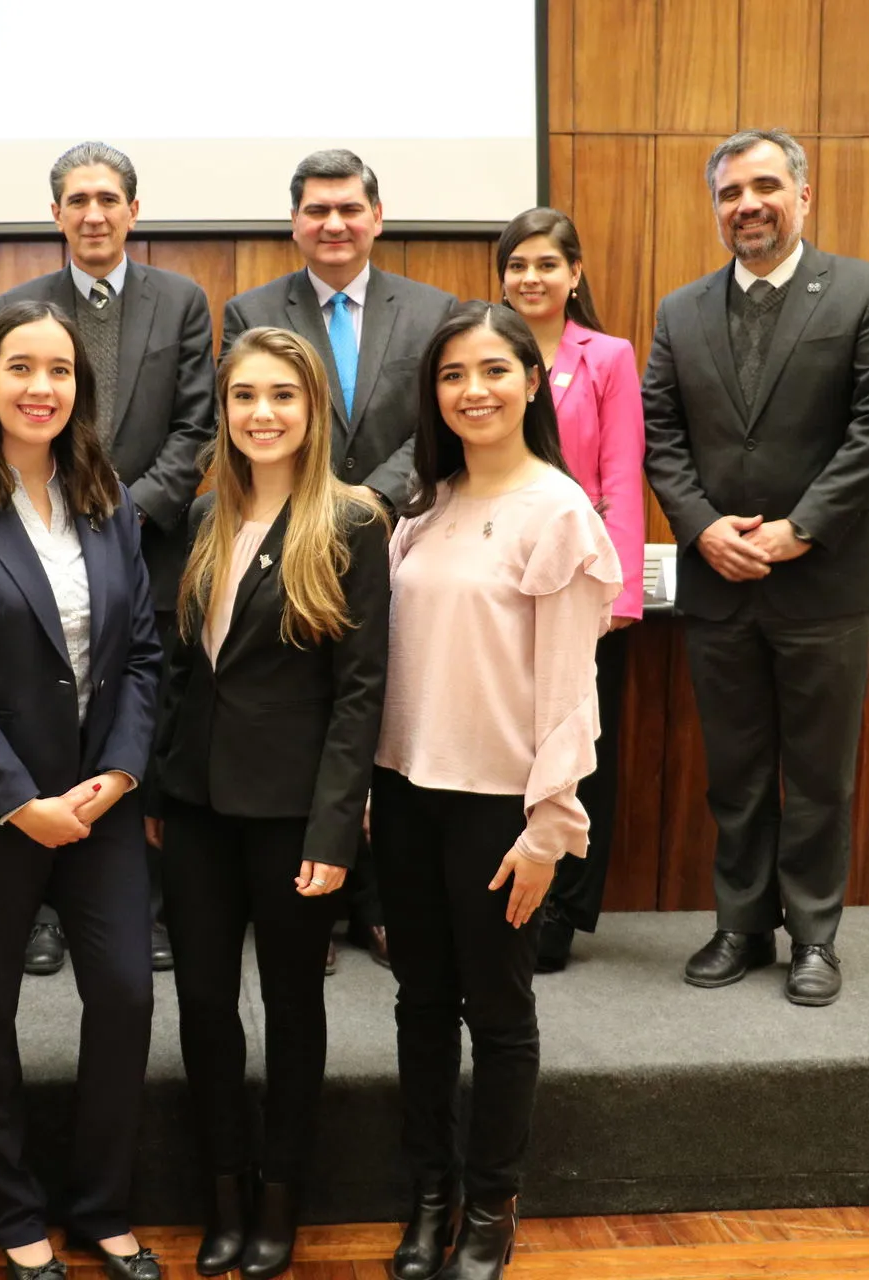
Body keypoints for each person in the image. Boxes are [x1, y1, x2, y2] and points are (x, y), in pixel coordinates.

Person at [0, 300, 163, 1280]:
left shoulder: (110, 497)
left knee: (127, 995)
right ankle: (15, 1211)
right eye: (20, 366)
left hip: (103, 799)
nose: (40, 385)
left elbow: (140, 655)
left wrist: (120, 772)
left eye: (58, 369)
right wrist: (18, 797)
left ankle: (102, 1202)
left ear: (78, 387)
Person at [643, 129, 869, 1007]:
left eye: (766, 186)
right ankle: (739, 925)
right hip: (720, 580)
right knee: (735, 769)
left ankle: (813, 935)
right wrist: (699, 528)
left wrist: (801, 528)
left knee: (819, 772)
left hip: (822, 581)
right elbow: (661, 436)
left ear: (804, 195)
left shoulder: (866, 291)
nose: (747, 205)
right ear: (716, 207)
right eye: (730, 193)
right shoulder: (679, 311)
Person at [374, 303, 619, 1280]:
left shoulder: (558, 510)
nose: (472, 390)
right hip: (403, 793)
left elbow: (570, 689)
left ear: (530, 380)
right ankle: (428, 1191)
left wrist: (548, 825)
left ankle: (490, 1206)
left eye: (492, 370)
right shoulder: (422, 506)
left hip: (499, 807)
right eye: (451, 375)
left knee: (499, 1009)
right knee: (419, 1004)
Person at [153, 328, 387, 1279]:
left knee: (293, 1007)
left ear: (314, 407)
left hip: (295, 814)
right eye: (244, 395)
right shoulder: (204, 517)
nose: (261, 413)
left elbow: (361, 692)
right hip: (196, 806)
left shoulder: (355, 520)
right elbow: (178, 670)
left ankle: (282, 1198)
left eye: (282, 395)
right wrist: (161, 787)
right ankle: (225, 1194)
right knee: (206, 1005)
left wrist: (338, 826)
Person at [222, 148, 457, 970]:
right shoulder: (250, 310)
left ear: (377, 217)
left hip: (403, 539)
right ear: (295, 223)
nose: (334, 224)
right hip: (285, 543)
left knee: (385, 711)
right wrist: (318, 509)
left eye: (349, 209)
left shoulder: (433, 311)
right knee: (309, 707)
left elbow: (434, 423)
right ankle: (312, 908)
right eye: (317, 210)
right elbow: (252, 419)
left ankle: (379, 902)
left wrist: (365, 506)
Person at [0, 141, 216, 980]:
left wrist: (120, 515)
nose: (93, 213)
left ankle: (139, 906)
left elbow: (197, 428)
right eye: (77, 200)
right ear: (56, 214)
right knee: (47, 714)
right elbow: (9, 415)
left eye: (108, 198)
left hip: (145, 554)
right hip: (34, 553)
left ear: (133, 209)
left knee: (136, 726)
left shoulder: (183, 300)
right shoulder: (21, 302)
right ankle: (44, 910)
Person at [495, 208, 646, 973]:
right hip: (502, 584)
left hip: (583, 587)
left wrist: (616, 598)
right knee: (513, 741)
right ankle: (508, 890)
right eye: (517, 264)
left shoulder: (608, 356)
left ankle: (563, 906)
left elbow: (621, 472)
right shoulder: (486, 349)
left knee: (581, 744)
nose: (531, 278)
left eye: (547, 264)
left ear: (575, 274)